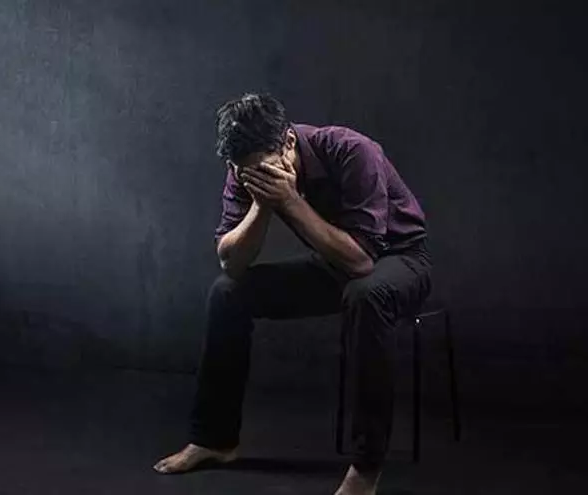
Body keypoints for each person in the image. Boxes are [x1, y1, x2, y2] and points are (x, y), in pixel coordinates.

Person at [153, 93, 432, 495]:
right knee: (228, 292)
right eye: (242, 173)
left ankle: (366, 468)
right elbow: (231, 262)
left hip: (401, 258)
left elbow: (361, 263)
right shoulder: (244, 169)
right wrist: (261, 206)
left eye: (259, 171)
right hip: (334, 262)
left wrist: (290, 200)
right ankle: (215, 440)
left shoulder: (353, 151)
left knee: (365, 294)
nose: (252, 178)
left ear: (287, 142)